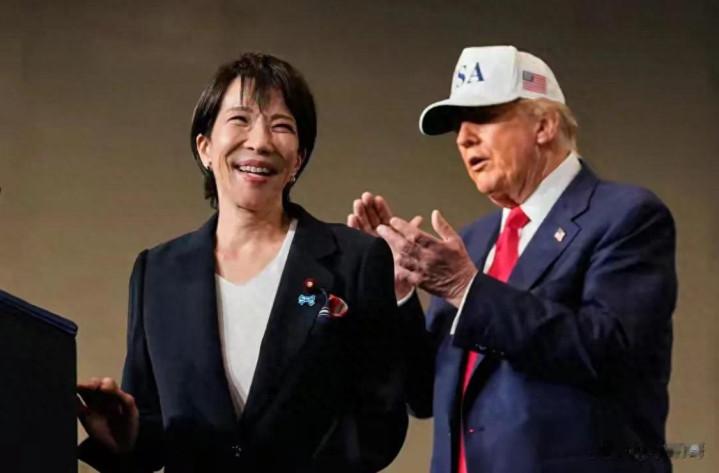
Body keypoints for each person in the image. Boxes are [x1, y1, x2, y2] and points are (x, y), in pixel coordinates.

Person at [349, 45, 676, 473]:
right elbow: (424, 395)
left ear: (544, 125)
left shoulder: (626, 216)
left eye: (483, 117)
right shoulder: (472, 242)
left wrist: (466, 289)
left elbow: (610, 353)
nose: (463, 138)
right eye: (458, 126)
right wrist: (395, 297)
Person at [77, 52, 408, 473]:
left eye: (282, 126)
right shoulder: (157, 272)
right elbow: (153, 424)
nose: (260, 141)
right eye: (240, 119)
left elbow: (381, 420)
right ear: (205, 147)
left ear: (298, 158)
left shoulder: (355, 260)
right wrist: (128, 438)